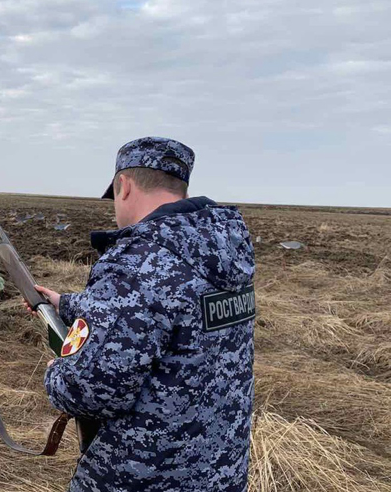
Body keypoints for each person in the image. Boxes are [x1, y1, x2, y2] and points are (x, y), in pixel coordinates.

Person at [30, 137, 255, 492]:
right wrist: (68, 304)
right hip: (218, 469)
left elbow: (93, 391)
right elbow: (169, 314)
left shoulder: (137, 263)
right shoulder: (220, 250)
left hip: (146, 476)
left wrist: (58, 374)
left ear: (124, 185)